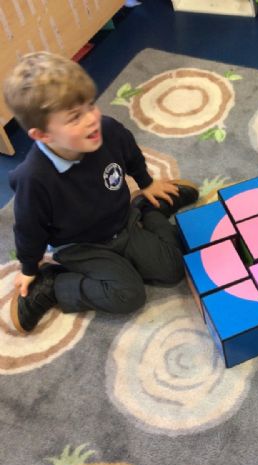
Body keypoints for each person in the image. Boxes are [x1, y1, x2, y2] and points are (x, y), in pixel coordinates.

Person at [3, 51, 199, 333]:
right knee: (128, 295)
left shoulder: (107, 130)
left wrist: (147, 183)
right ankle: (54, 285)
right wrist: (29, 268)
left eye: (90, 105)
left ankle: (150, 208)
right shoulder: (33, 179)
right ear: (43, 135)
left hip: (122, 222)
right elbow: (28, 229)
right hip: (82, 246)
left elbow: (129, 153)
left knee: (173, 269)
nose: (92, 119)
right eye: (75, 117)